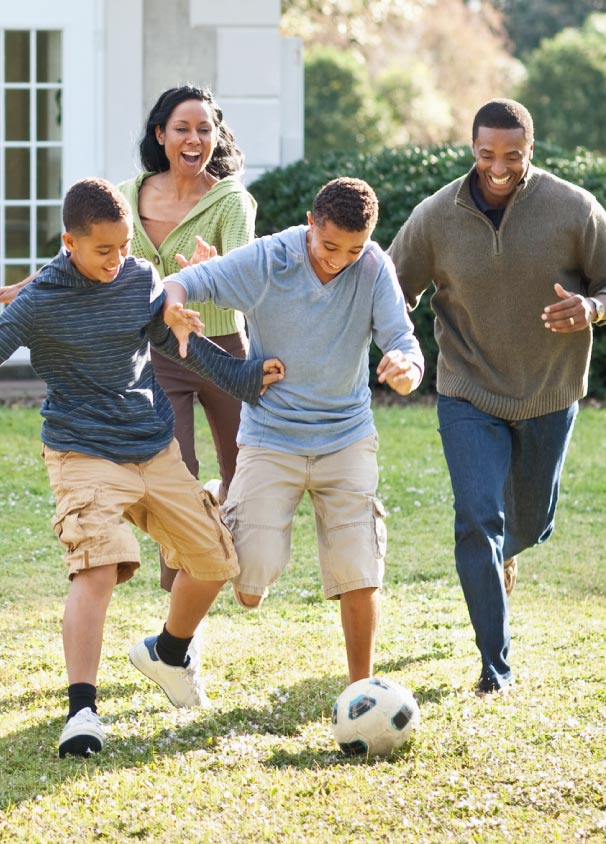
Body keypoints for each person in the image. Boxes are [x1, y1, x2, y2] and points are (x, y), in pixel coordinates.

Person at [0, 178, 285, 758]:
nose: (118, 260)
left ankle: (169, 652)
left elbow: (179, 346)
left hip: (152, 445)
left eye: (124, 247)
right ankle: (82, 713)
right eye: (104, 250)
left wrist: (247, 378)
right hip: (82, 452)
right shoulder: (38, 304)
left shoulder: (138, 280)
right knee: (98, 568)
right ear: (68, 242)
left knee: (215, 562)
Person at [387, 99, 606, 695]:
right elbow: (392, 285)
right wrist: (395, 336)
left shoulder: (573, 208)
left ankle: (509, 551)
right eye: (485, 155)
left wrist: (593, 308)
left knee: (528, 520)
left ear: (531, 151)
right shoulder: (436, 216)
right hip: (467, 390)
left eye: (511, 156)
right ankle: (494, 665)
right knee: (478, 520)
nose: (497, 168)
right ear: (472, 150)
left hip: (549, 392)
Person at [0, 84, 257, 591]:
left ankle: (241, 569)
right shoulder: (128, 194)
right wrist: (28, 286)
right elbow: (88, 254)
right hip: (162, 349)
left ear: (217, 137)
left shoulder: (231, 200)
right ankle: (180, 587)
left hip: (218, 346)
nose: (193, 139)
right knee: (180, 467)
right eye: (181, 129)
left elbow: (245, 274)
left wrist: (212, 273)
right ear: (160, 134)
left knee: (244, 465)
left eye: (204, 129)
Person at [161, 177, 424, 684]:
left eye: (353, 249)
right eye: (329, 246)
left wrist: (406, 370)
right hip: (271, 437)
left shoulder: (373, 268)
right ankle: (225, 503)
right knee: (250, 587)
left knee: (358, 567)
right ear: (309, 223)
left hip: (346, 437)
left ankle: (360, 690)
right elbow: (186, 284)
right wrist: (173, 304)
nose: (339, 260)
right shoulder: (269, 260)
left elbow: (403, 341)